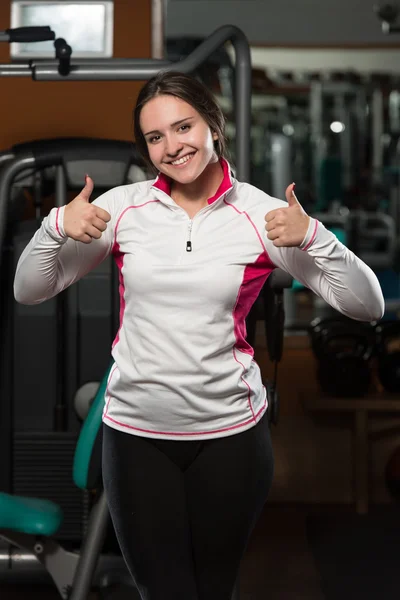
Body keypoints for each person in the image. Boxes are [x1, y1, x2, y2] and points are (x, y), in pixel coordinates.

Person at [13, 71, 384, 600]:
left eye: (182, 126)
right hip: (136, 436)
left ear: (214, 123)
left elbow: (366, 304)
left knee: (213, 590)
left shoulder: (262, 215)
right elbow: (29, 289)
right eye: (155, 137)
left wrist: (315, 237)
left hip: (230, 437)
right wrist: (53, 227)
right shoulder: (122, 208)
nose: (171, 146)